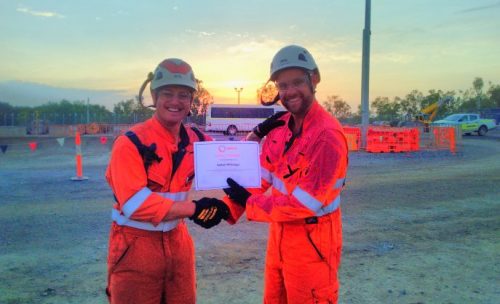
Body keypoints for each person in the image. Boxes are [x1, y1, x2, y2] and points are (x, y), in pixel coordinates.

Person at [223, 45, 349, 303]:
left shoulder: (328, 137)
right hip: (280, 241)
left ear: (313, 80)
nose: (289, 92)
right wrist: (227, 209)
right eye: (282, 86)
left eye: (297, 82)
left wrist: (249, 203)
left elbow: (304, 203)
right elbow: (261, 176)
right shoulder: (280, 129)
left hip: (313, 246)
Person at [105, 58, 229, 304]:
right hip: (134, 247)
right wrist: (195, 209)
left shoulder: (197, 140)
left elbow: (232, 161)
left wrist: (256, 137)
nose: (175, 102)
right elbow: (133, 204)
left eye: (183, 95)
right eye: (167, 94)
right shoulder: (130, 143)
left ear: (192, 100)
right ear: (154, 96)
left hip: (178, 244)